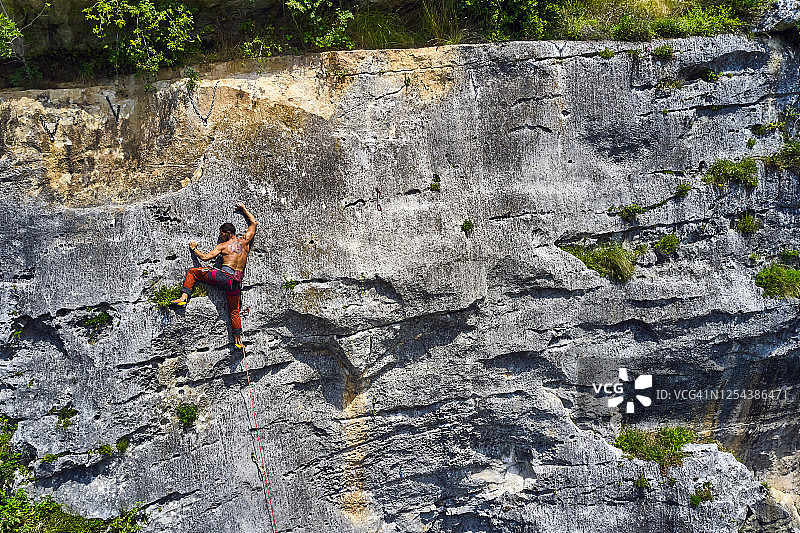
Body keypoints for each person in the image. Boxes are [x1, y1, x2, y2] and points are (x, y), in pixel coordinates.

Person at [171, 203, 257, 349]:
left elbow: (205, 258)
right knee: (234, 311)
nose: (220, 236)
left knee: (193, 272)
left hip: (223, 277)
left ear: (228, 233)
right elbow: (253, 223)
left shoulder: (223, 246)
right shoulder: (245, 241)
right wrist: (243, 209)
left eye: (221, 233)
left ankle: (183, 298)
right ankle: (238, 341)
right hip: (235, 283)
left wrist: (194, 249)